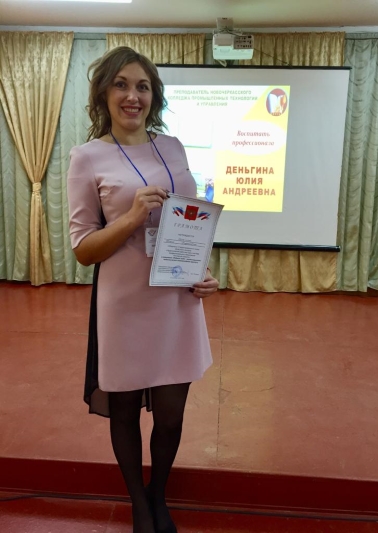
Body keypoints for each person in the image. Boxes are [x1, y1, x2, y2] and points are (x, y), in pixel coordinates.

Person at [67, 46, 219, 533]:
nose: (132, 96)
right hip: (125, 305)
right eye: (121, 85)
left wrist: (202, 269)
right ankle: (139, 504)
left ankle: (159, 493)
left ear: (154, 96)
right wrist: (132, 217)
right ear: (103, 94)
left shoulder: (172, 146)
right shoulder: (87, 157)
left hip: (177, 301)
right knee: (126, 411)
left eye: (143, 86)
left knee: (171, 416)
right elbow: (83, 249)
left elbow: (189, 220)